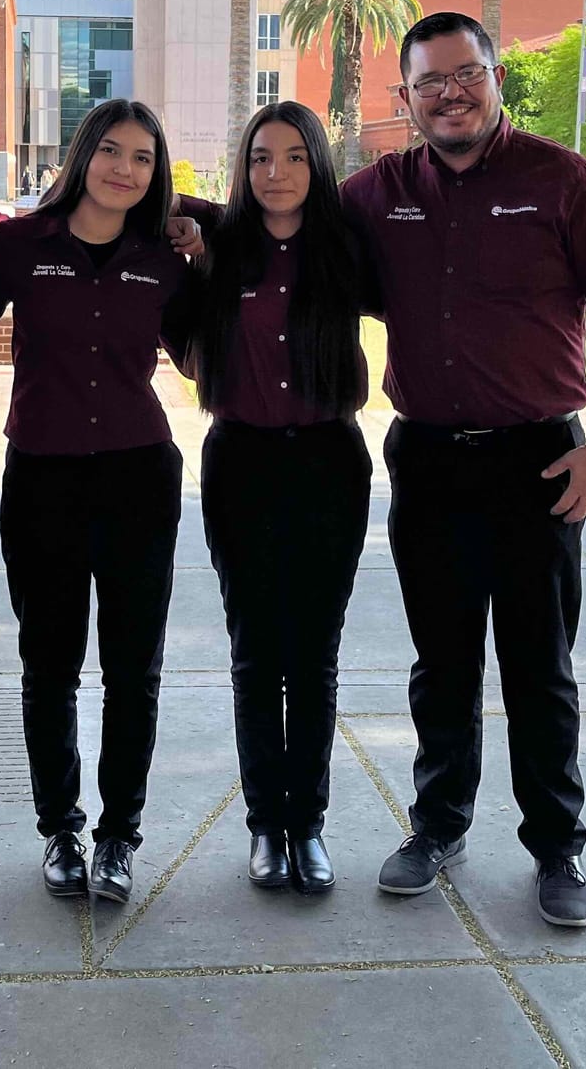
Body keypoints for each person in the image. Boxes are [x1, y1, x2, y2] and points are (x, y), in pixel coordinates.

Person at [342, 11, 586, 930]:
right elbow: (285, 232)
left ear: (494, 77)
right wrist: (194, 225)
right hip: (429, 463)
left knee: (538, 670)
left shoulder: (560, 181)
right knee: (440, 665)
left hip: (540, 464)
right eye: (430, 82)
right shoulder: (378, 193)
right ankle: (437, 827)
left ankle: (556, 848)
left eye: (466, 73)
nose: (451, 93)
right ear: (405, 101)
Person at [0, 100, 190, 908]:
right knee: (48, 668)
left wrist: (206, 230)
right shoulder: (21, 246)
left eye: (145, 159)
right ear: (83, 153)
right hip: (43, 480)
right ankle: (61, 828)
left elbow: (202, 354)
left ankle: (119, 836)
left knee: (134, 671)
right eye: (112, 152)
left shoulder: (165, 257)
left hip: (139, 478)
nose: (125, 170)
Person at [180, 101, 369, 894]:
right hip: (241, 463)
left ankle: (309, 827)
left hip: (330, 462)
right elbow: (125, 196)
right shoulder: (219, 245)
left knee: (314, 657)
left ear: (316, 164)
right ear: (243, 168)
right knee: (257, 655)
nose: (277, 173)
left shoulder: (347, 246)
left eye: (295, 156)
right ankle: (266, 826)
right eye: (261, 157)